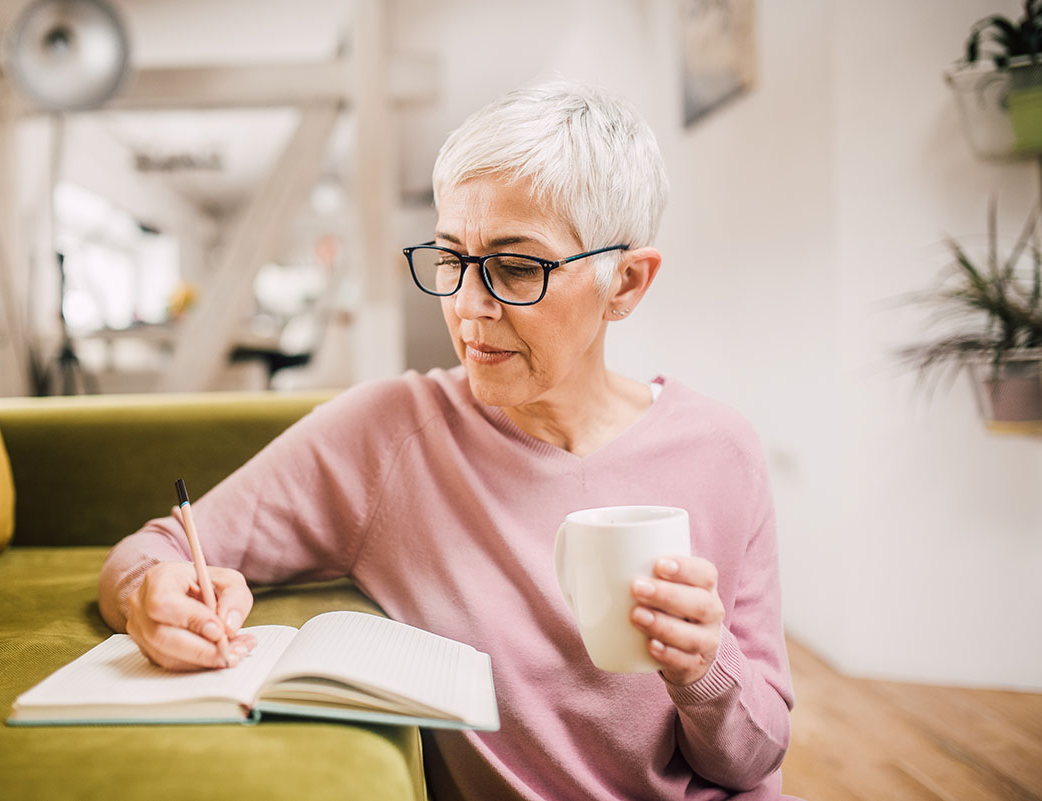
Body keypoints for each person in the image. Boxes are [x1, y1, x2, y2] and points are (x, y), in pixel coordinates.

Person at [99, 80, 794, 801]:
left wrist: (703, 669)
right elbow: (157, 548)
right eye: (451, 257)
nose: (466, 307)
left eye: (517, 266)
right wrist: (152, 594)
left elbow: (752, 761)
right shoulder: (389, 435)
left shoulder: (722, 452)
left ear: (625, 282)